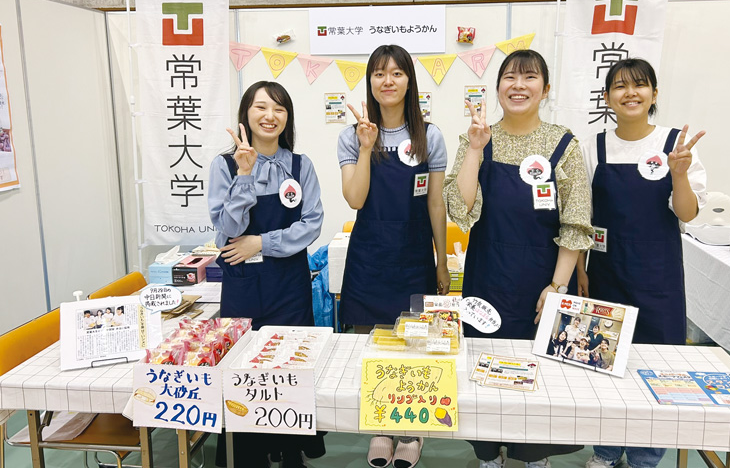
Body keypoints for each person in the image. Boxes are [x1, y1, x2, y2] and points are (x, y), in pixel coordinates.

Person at [444, 49, 593, 468]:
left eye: (530, 77)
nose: (518, 85)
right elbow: (459, 208)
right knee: (483, 371)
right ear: (497, 88)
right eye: (509, 77)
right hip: (487, 279)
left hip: (543, 282)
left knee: (540, 375)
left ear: (545, 89)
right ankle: (488, 455)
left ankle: (534, 456)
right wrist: (475, 149)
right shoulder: (477, 137)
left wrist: (557, 286)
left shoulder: (563, 143)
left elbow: (576, 221)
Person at [578, 58, 706, 468]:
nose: (630, 93)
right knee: (603, 361)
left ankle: (645, 457)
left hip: (658, 277)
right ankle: (605, 450)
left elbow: (687, 214)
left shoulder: (675, 144)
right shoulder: (593, 146)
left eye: (639, 85)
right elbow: (582, 215)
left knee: (659, 370)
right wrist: (580, 270)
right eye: (620, 86)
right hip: (605, 273)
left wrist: (679, 174)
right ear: (606, 97)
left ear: (654, 93)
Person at [338, 44, 449, 468]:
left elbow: (435, 203)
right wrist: (367, 147)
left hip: (414, 255)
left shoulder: (429, 136)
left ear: (409, 81)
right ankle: (380, 427)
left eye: (397, 73)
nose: (388, 81)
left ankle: (412, 431)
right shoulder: (351, 136)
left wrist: (441, 261)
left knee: (414, 346)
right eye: (379, 73)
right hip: (369, 257)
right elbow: (355, 199)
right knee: (373, 349)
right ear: (369, 81)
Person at [208, 81, 325, 468]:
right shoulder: (225, 166)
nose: (269, 116)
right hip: (244, 290)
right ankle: (250, 457)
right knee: (243, 374)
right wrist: (245, 175)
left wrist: (261, 242)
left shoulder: (300, 165)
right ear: (246, 114)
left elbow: (311, 224)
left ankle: (292, 455)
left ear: (288, 117)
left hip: (290, 287)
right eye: (260, 107)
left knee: (291, 372)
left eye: (279, 108)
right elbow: (227, 230)